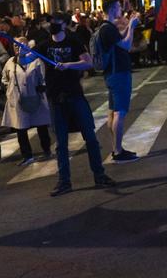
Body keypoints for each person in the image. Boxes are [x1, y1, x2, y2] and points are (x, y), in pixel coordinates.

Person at [38, 12, 115, 197]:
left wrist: (69, 65)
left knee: (90, 137)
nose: (51, 24)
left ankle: (99, 174)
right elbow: (26, 60)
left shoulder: (73, 41)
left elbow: (88, 63)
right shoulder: (44, 45)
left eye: (55, 21)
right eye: (50, 22)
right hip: (56, 99)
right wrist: (24, 53)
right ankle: (64, 181)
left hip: (75, 95)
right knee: (61, 144)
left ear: (63, 24)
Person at [95, 0, 140, 163]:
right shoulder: (108, 28)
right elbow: (126, 45)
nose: (121, 8)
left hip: (111, 73)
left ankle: (116, 147)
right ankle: (118, 150)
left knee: (113, 111)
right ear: (113, 8)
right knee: (119, 112)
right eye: (119, 6)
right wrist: (133, 27)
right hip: (118, 72)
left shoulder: (106, 27)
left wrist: (128, 25)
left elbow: (119, 38)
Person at [2, 40, 51, 166]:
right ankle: (27, 155)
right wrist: (11, 89)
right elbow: (4, 79)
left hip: (36, 97)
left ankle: (46, 149)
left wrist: (40, 87)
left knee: (41, 126)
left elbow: (43, 78)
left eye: (21, 45)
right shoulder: (10, 62)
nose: (18, 47)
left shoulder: (36, 60)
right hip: (18, 100)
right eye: (15, 45)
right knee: (21, 129)